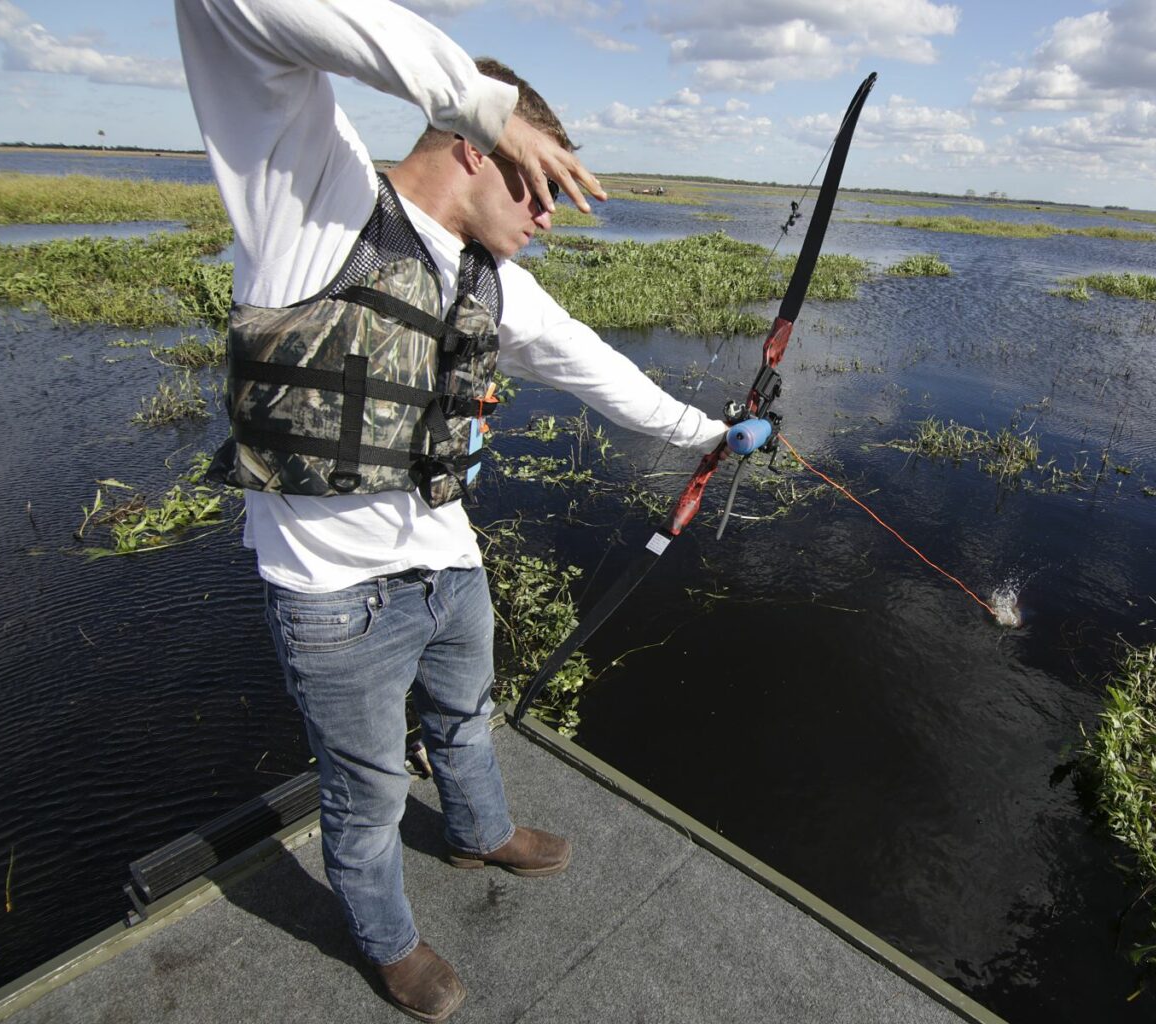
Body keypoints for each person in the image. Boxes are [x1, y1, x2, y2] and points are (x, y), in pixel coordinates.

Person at [174, 1, 729, 1019]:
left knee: (469, 724)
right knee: (370, 794)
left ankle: (479, 833)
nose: (552, 212)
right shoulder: (313, 202)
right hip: (333, 601)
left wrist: (710, 433)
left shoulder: (491, 284)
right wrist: (481, 97)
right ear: (480, 149)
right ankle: (387, 943)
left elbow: (596, 369)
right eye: (542, 178)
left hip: (449, 565)